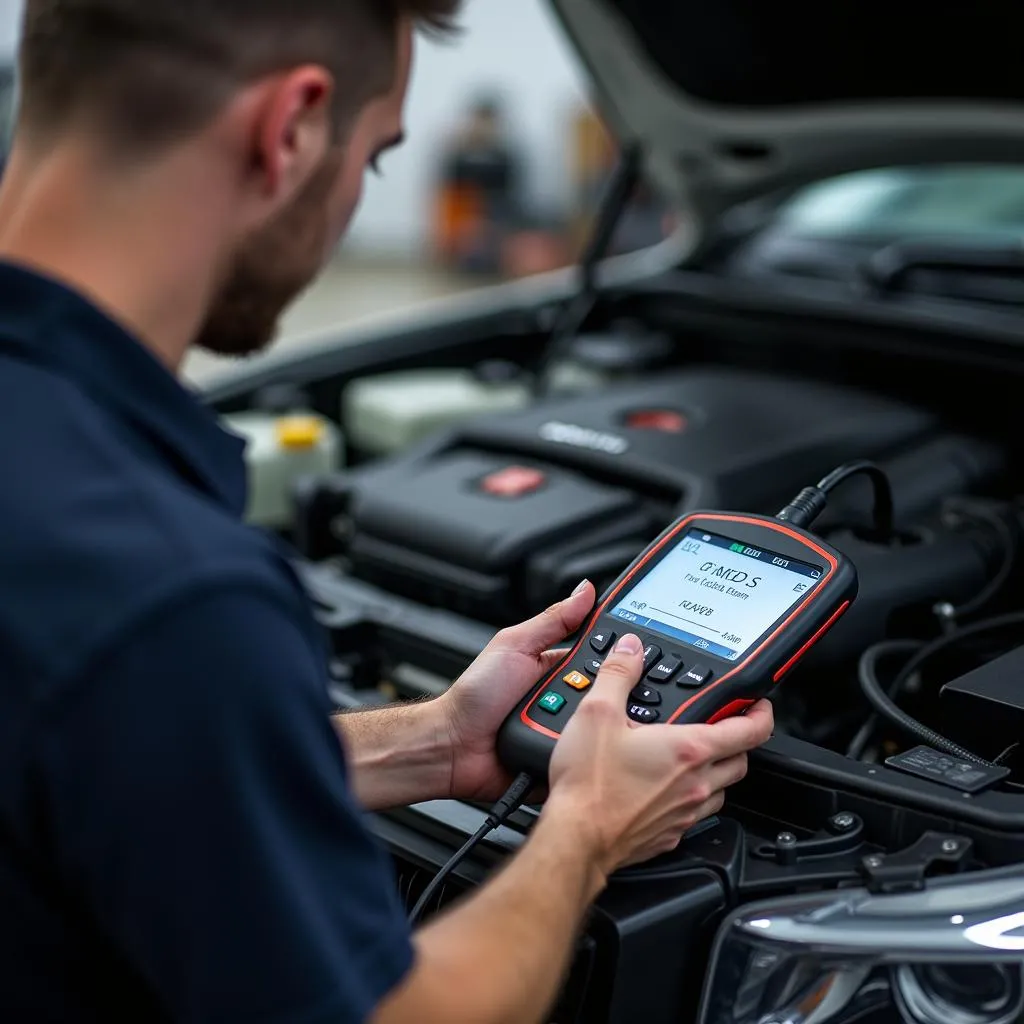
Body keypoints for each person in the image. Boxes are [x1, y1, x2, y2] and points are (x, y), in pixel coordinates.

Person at [0, 2, 775, 1022]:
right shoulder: (166, 588)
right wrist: (586, 828)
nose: (356, 205)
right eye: (374, 160)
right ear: (292, 129)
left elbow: (87, 759)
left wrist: (431, 742)